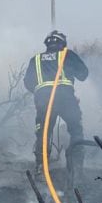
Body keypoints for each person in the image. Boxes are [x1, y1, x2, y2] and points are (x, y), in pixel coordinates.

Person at [23, 30, 89, 170]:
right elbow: (83, 74)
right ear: (63, 44)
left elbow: (28, 83)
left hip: (44, 100)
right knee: (76, 130)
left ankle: (41, 168)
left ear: (47, 44)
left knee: (43, 132)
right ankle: (76, 168)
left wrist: (41, 91)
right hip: (66, 98)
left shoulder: (35, 60)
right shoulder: (67, 55)